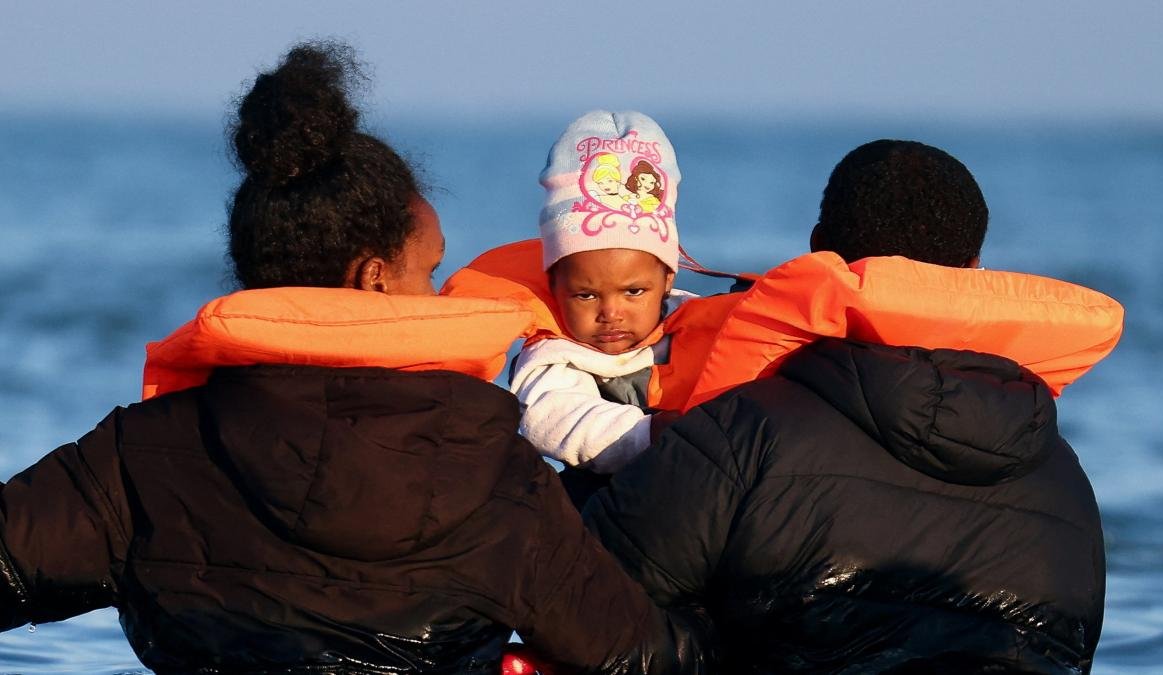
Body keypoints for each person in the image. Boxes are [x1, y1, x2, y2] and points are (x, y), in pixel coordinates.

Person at [0, 43, 711, 674]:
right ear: (374, 279)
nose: (441, 295)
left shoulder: (138, 454)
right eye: (430, 271)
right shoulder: (494, 473)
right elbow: (640, 656)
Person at [585, 140, 1108, 673]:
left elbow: (588, 596)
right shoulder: (1064, 481)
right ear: (973, 271)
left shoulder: (742, 431)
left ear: (819, 252)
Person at [509, 111, 693, 504]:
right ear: (554, 285)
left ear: (667, 279)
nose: (611, 312)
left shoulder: (698, 327)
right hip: (601, 509)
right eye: (586, 295)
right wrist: (649, 433)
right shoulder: (554, 356)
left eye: (634, 291)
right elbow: (555, 419)